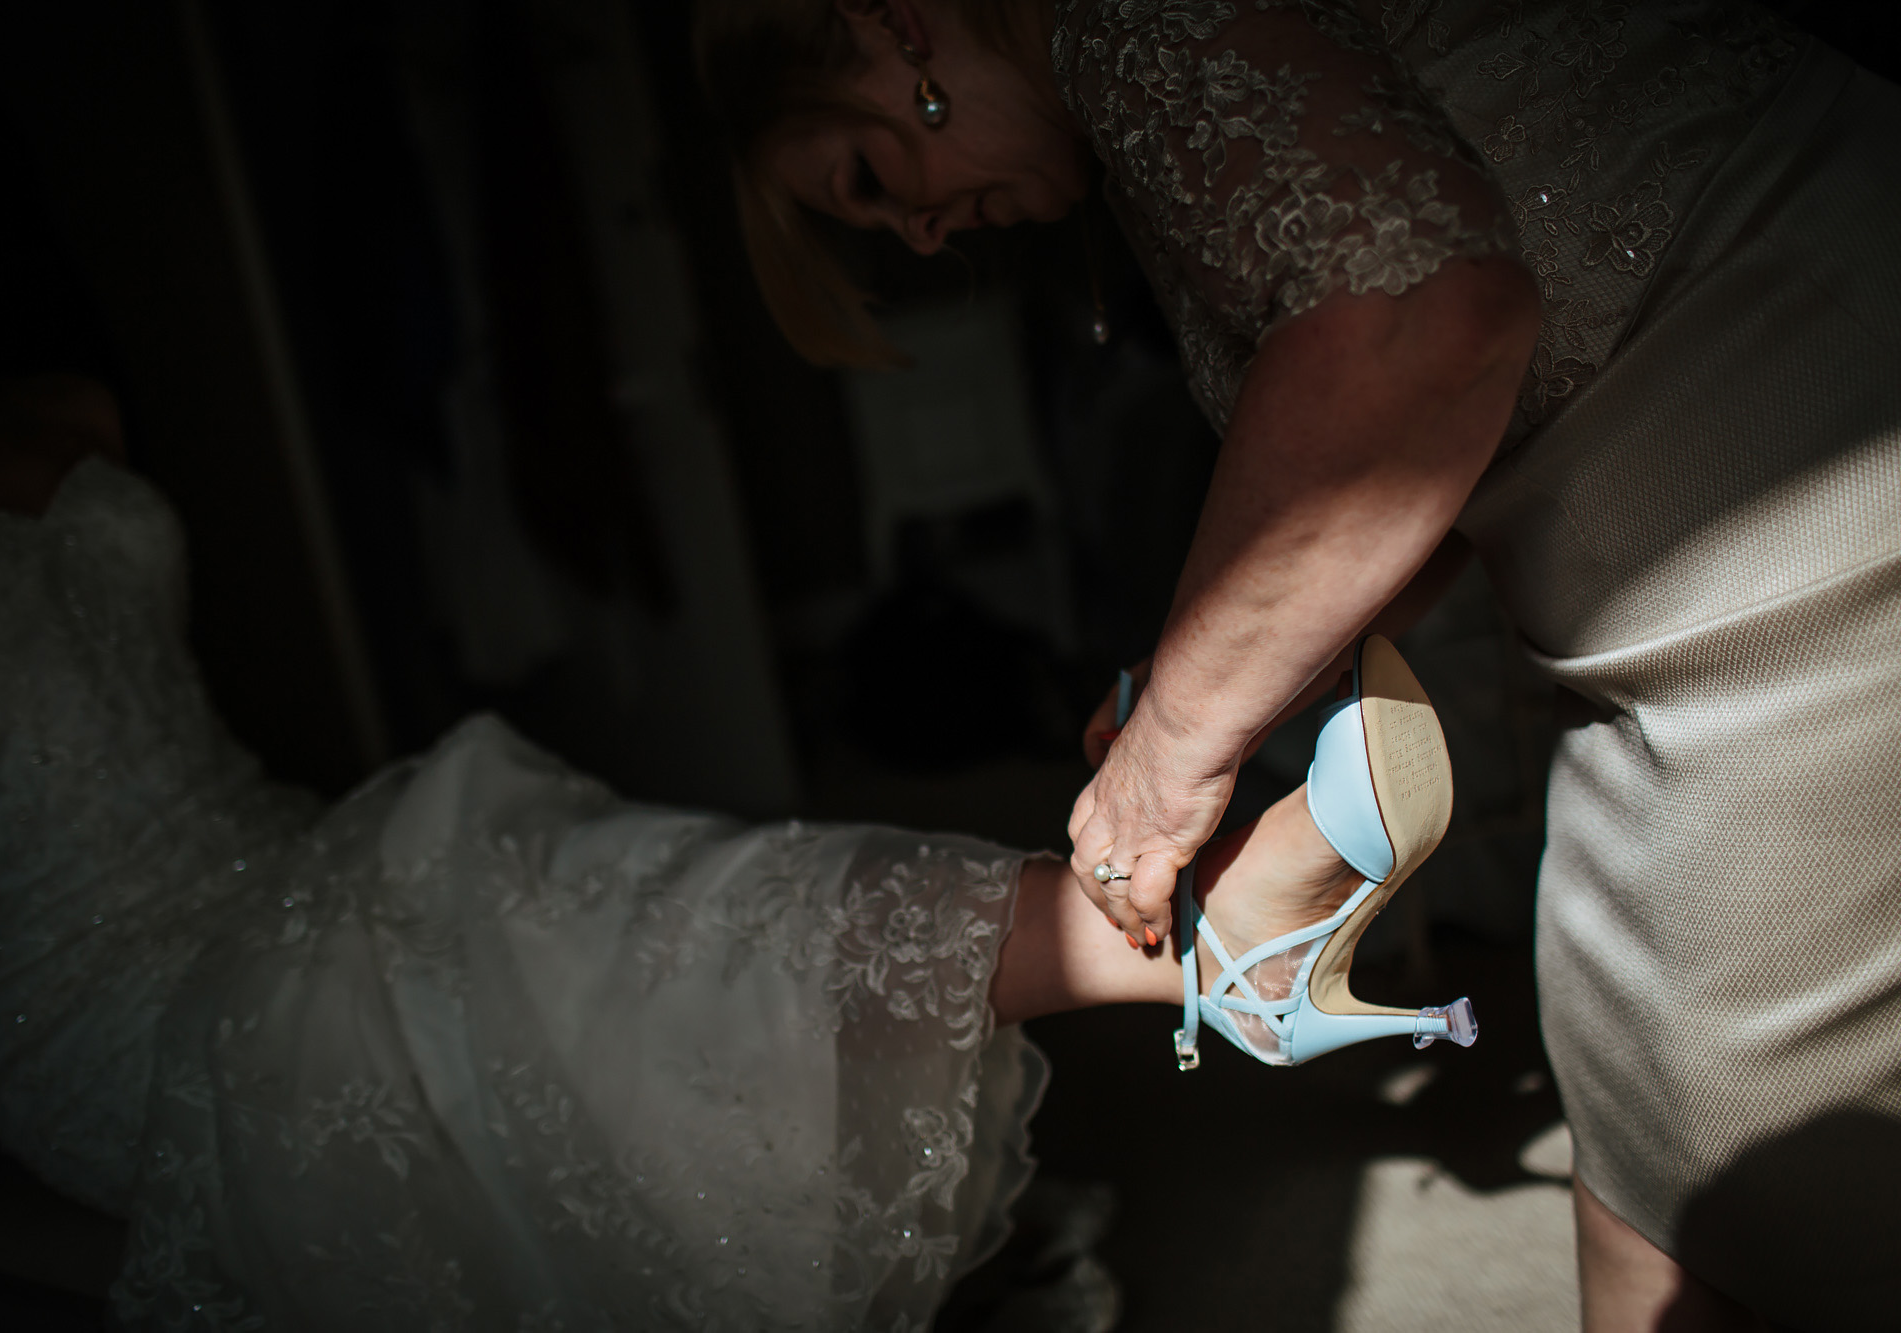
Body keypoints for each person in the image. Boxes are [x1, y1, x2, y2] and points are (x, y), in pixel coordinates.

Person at [0, 74, 1429, 1328]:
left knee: (582, 900)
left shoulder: (72, 414)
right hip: (88, 994)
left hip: (266, 849)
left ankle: (1215, 952)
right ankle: (1209, 949)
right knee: (484, 983)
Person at [697, 0, 1901, 1325]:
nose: (922, 233)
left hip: (1811, 521)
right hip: (1690, 567)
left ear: (901, 29)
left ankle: (1266, 922)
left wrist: (1162, 773)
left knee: (1741, 1193)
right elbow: (1415, 437)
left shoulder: (1121, 26)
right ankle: (1280, 895)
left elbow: (1421, 327)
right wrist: (1211, 676)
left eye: (869, 178)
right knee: (1636, 1138)